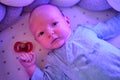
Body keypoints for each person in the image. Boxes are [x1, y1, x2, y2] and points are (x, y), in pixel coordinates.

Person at [19, 4, 120, 80]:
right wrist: (30, 67)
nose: (50, 33)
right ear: (38, 41)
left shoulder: (85, 30)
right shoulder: (54, 61)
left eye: (54, 23)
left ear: (67, 22)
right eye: (41, 33)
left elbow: (110, 27)